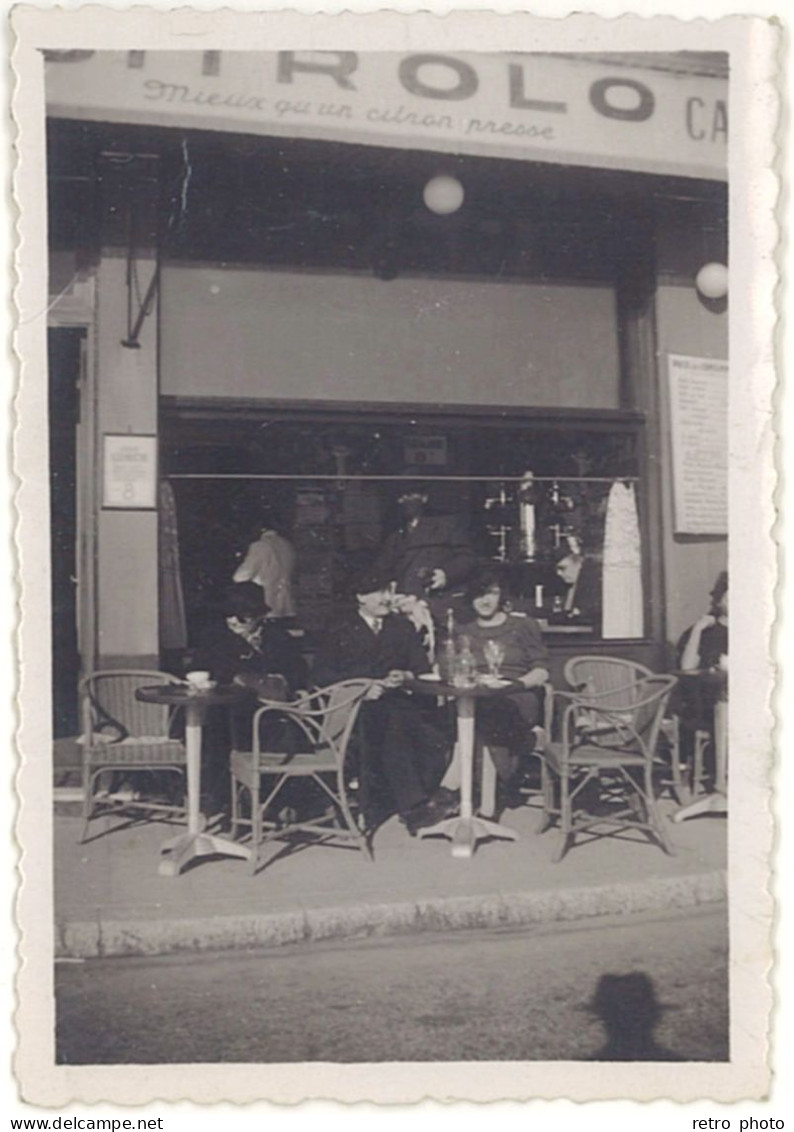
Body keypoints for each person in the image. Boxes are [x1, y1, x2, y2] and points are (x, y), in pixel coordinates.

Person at [312, 568, 454, 835]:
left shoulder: (400, 627)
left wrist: (405, 675)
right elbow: (321, 673)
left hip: (398, 701)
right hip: (353, 707)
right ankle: (414, 808)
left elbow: (421, 668)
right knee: (391, 726)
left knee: (427, 730)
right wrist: (362, 688)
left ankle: (412, 800)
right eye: (378, 592)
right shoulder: (340, 627)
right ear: (360, 597)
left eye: (388, 591)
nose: (386, 598)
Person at [458, 565, 550, 794]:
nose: (485, 600)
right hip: (477, 695)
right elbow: (457, 668)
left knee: (488, 716)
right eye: (479, 594)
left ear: (502, 596)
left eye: (491, 593)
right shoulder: (465, 632)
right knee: (477, 716)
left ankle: (472, 794)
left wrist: (517, 684)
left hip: (517, 695)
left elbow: (542, 670)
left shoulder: (522, 625)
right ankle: (502, 779)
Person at [195, 582, 307, 696]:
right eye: (229, 614)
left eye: (242, 616)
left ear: (260, 615)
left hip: (269, 706)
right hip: (226, 704)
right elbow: (201, 667)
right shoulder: (215, 637)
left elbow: (297, 671)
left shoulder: (277, 636)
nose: (234, 621)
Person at [374, 482, 477, 599]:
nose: (401, 500)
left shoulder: (446, 524)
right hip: (401, 601)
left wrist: (446, 574)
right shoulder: (395, 531)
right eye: (399, 496)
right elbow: (382, 567)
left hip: (435, 599)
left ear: (424, 497)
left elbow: (466, 557)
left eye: (408, 494)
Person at [233, 510, 296, 620]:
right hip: (287, 606)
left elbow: (241, 576)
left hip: (265, 606)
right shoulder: (286, 544)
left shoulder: (260, 546)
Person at [679, 570, 728, 672]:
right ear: (718, 601)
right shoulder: (706, 631)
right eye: (730, 599)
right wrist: (697, 630)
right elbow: (687, 668)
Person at [554, 549, 601, 626]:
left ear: (579, 565)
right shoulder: (569, 589)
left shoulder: (592, 591)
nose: (559, 573)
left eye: (562, 568)